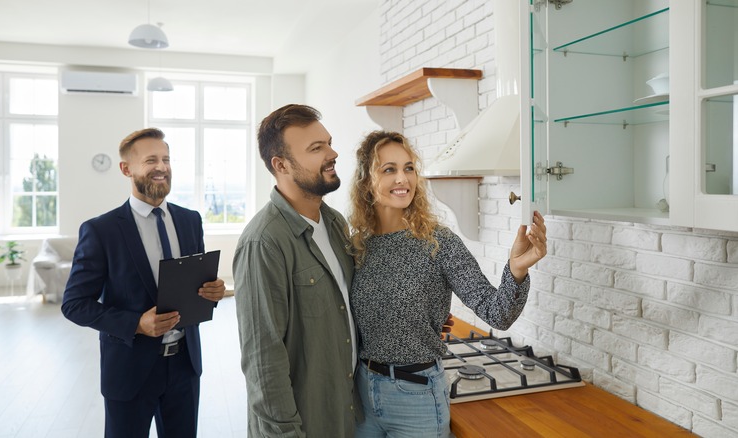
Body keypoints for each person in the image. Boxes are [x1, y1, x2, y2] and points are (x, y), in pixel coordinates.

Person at [348, 130, 547, 438]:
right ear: (366, 182)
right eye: (389, 169)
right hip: (361, 394)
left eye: (409, 168)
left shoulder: (438, 242)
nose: (403, 179)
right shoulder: (357, 246)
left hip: (416, 399)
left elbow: (498, 314)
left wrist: (516, 269)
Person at [61, 128, 226, 438]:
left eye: (166, 159)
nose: (161, 167)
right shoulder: (101, 230)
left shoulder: (191, 220)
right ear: (127, 169)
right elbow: (74, 305)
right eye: (151, 160)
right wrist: (136, 323)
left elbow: (193, 286)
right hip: (129, 370)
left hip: (185, 366)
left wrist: (212, 292)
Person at [232, 104, 359, 437]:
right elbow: (263, 360)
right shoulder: (263, 242)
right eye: (316, 149)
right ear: (281, 164)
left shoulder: (335, 224)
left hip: (343, 413)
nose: (332, 153)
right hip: (301, 426)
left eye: (328, 143)